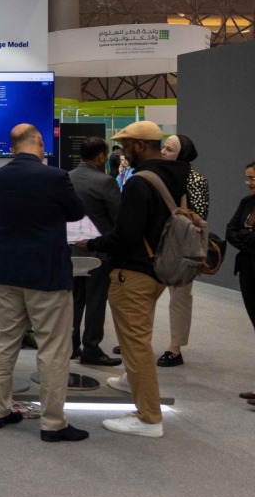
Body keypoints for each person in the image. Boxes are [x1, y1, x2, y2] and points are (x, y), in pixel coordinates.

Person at [78, 120, 188, 438]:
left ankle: (149, 417)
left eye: (127, 147)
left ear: (140, 146)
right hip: (161, 269)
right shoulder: (178, 175)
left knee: (135, 342)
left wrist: (92, 243)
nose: (123, 154)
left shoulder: (139, 183)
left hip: (133, 272)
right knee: (139, 334)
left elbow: (126, 235)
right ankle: (130, 381)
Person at [0, 125, 89, 442]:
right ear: (40, 143)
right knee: (53, 349)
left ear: (12, 146)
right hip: (47, 272)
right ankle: (53, 423)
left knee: (3, 342)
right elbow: (77, 213)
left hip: (6, 270)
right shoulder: (55, 177)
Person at [68, 137, 123, 366]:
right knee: (96, 301)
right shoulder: (106, 182)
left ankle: (70, 345)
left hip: (69, 250)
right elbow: (119, 219)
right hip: (97, 253)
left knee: (74, 300)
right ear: (101, 156)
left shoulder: (66, 178)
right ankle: (91, 348)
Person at [158, 134, 209, 367]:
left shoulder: (195, 179)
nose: (163, 152)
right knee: (146, 294)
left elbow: (199, 217)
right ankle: (139, 339)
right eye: (164, 148)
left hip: (181, 246)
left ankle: (175, 348)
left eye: (169, 149)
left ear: (182, 153)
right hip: (157, 242)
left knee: (180, 297)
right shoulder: (160, 174)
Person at [226, 161, 255, 406]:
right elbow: (231, 230)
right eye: (247, 178)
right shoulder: (247, 202)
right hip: (247, 270)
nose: (248, 183)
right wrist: (250, 239)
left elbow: (240, 233)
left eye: (253, 178)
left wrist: (245, 238)